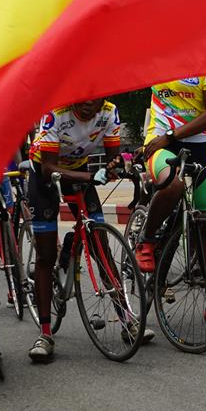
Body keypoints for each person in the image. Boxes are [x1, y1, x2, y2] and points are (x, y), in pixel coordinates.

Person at [25, 97, 151, 362]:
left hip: (78, 171)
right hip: (45, 174)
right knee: (45, 255)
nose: (87, 106)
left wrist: (115, 168)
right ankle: (45, 333)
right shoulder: (55, 113)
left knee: (101, 247)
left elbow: (112, 156)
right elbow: (48, 169)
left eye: (93, 101)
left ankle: (127, 320)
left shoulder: (109, 112)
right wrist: (90, 177)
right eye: (81, 100)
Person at [134, 76, 206, 277]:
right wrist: (167, 138)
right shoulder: (159, 61)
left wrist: (172, 135)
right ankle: (146, 240)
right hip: (161, 143)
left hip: (196, 145)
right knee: (173, 184)